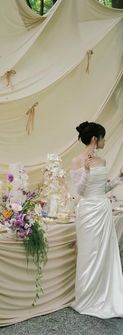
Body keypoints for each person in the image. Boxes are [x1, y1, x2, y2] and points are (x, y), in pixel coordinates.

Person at [70, 121, 123, 318]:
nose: (104, 141)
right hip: (87, 211)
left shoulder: (102, 161)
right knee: (88, 253)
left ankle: (105, 294)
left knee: (105, 252)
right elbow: (81, 191)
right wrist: (85, 170)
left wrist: (119, 178)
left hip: (103, 209)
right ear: (95, 139)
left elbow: (104, 188)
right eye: (103, 137)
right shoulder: (77, 161)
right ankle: (86, 299)